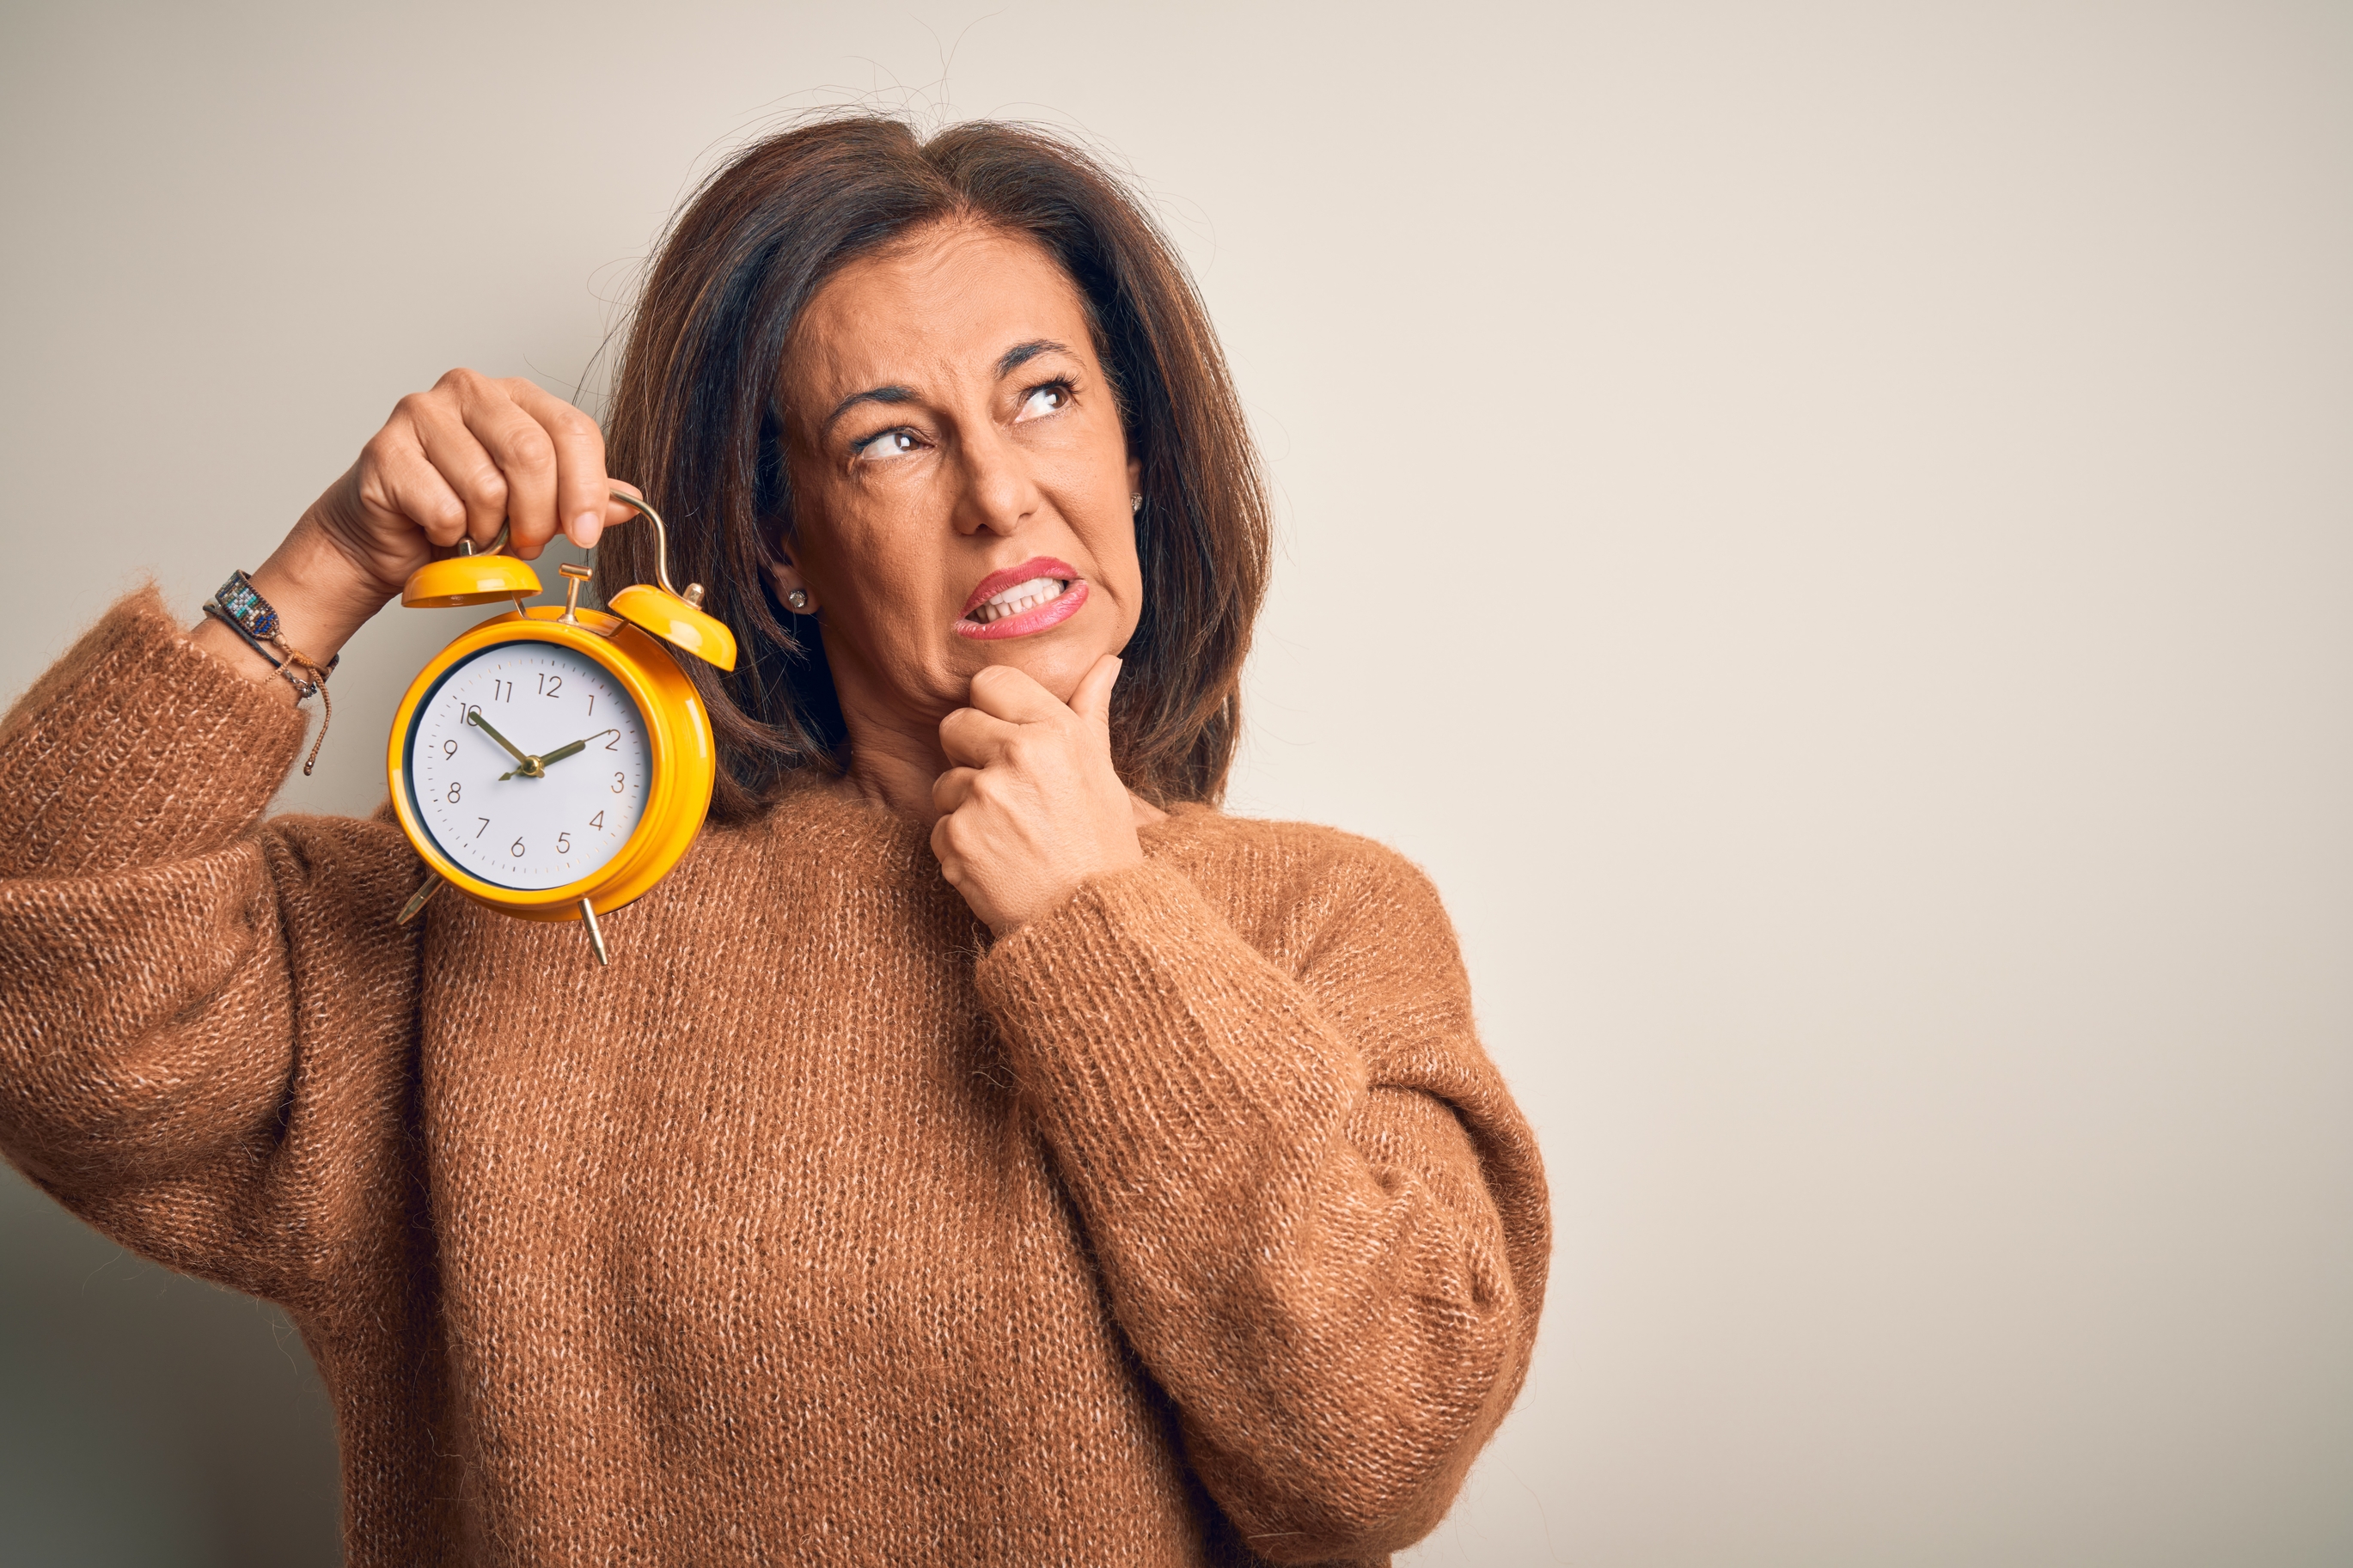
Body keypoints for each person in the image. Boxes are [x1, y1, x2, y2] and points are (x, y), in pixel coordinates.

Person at [0, 115, 1548, 1566]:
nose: (1002, 492)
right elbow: (44, 986)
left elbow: (1379, 1440)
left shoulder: (1326, 916)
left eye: (1044, 396)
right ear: (780, 543)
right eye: (893, 439)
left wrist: (1095, 916)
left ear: (1135, 454)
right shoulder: (519, 899)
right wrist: (331, 561)